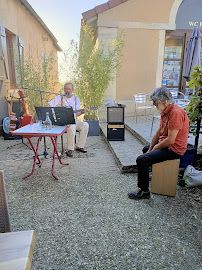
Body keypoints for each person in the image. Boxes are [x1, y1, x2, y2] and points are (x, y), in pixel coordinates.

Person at [128, 87, 189, 200]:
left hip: (174, 150)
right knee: (146, 150)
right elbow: (158, 132)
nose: (153, 104)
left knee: (141, 159)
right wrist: (151, 147)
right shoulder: (166, 111)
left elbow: (171, 140)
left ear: (164, 100)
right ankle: (152, 175)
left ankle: (144, 191)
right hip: (167, 145)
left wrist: (155, 147)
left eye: (155, 102)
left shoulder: (175, 113)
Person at [47, 82, 89, 157]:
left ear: (72, 90)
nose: (67, 90)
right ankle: (69, 149)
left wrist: (83, 112)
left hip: (73, 119)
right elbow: (48, 105)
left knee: (85, 125)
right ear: (64, 90)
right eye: (66, 89)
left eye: (69, 89)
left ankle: (79, 146)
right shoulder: (59, 98)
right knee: (72, 125)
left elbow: (77, 114)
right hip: (62, 121)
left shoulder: (76, 99)